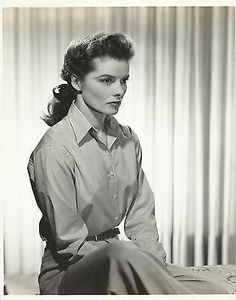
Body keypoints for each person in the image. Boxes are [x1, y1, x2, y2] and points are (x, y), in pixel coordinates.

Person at [27, 32, 227, 295]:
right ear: (77, 81)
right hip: (70, 272)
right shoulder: (54, 150)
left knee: (214, 291)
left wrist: (153, 265)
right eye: (107, 80)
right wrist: (134, 262)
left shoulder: (128, 140)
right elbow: (71, 245)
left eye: (124, 81)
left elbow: (141, 217)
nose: (119, 91)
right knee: (122, 251)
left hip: (126, 261)